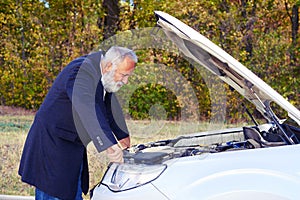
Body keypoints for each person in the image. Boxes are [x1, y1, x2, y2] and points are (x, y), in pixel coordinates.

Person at [18, 46, 138, 200]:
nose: (126, 81)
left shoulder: (102, 73)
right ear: (109, 66)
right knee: (55, 195)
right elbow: (88, 107)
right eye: (123, 75)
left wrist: (122, 134)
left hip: (71, 149)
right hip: (52, 150)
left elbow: (108, 105)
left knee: (72, 193)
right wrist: (109, 144)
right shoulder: (81, 72)